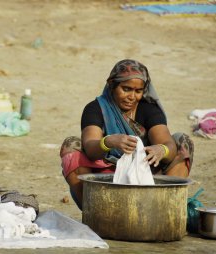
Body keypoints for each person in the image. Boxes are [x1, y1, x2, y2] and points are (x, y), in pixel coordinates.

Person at [60, 59, 194, 210]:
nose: (132, 96)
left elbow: (168, 143)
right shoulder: (96, 109)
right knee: (71, 146)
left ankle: (160, 210)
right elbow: (90, 148)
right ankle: (96, 212)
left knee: (182, 142)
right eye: (126, 89)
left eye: (138, 91)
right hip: (106, 179)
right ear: (112, 85)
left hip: (146, 179)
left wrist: (162, 150)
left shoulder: (148, 110)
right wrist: (109, 142)